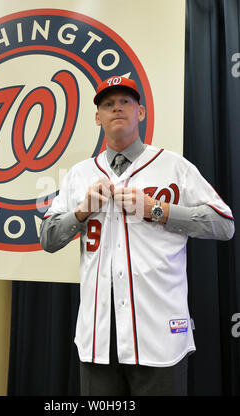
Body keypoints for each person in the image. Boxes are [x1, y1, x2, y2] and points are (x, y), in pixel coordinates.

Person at [40, 76, 234, 396]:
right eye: (107, 104)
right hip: (98, 337)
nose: (117, 108)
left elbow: (224, 225)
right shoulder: (80, 175)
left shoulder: (173, 166)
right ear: (97, 117)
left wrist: (158, 210)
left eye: (125, 102)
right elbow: (47, 238)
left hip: (159, 333)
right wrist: (80, 212)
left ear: (140, 112)